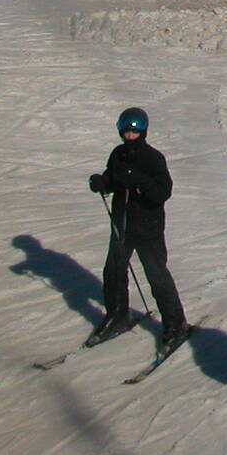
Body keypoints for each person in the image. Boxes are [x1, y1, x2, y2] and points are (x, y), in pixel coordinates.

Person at [87, 106, 187, 346]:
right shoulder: (118, 154)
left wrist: (140, 182)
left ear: (144, 132)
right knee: (113, 271)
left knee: (156, 274)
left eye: (135, 133)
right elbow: (113, 179)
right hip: (122, 224)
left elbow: (163, 192)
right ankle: (117, 315)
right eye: (126, 132)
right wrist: (102, 183)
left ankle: (175, 323)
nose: (130, 137)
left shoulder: (153, 158)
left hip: (148, 227)